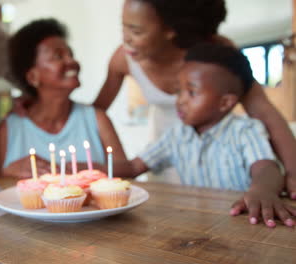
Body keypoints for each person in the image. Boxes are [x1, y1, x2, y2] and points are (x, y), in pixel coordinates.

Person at [94, 0, 296, 196]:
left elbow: (263, 112)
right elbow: (94, 113)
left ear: (170, 30)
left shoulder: (215, 56)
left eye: (136, 31)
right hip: (169, 150)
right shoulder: (124, 58)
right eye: (124, 27)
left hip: (219, 154)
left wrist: (293, 171)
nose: (125, 38)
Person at [118, 43, 295, 227]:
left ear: (225, 102)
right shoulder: (176, 135)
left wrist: (262, 190)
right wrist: (89, 168)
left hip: (243, 222)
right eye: (179, 91)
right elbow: (134, 166)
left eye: (192, 92)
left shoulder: (245, 130)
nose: (181, 100)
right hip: (201, 225)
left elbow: (266, 168)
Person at [0, 18, 127, 178]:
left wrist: (92, 170)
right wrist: (8, 171)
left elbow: (127, 174)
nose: (72, 61)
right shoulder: (10, 128)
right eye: (58, 56)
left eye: (70, 54)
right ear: (33, 77)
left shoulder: (96, 119)